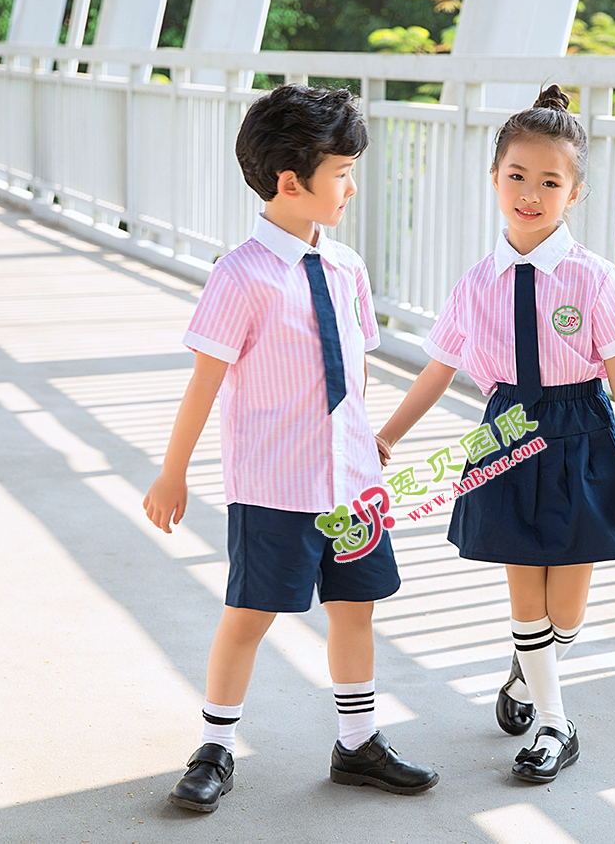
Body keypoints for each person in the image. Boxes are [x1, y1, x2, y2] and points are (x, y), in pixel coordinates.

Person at [143, 85, 438, 812]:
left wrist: (367, 438)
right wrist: (172, 472)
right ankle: (215, 745)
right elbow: (205, 383)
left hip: (352, 482)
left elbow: (354, 366)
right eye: (340, 173)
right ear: (289, 182)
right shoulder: (241, 274)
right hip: (275, 483)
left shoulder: (347, 268)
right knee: (251, 615)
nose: (351, 187)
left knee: (356, 609)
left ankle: (358, 742)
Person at [375, 85, 615, 784]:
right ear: (495, 178)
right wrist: (384, 438)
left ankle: (529, 677)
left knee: (567, 609)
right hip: (506, 436)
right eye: (517, 176)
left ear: (576, 192)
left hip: (585, 433)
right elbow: (437, 371)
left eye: (550, 182)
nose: (530, 193)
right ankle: (557, 726)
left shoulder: (593, 279)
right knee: (524, 590)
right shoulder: (477, 284)